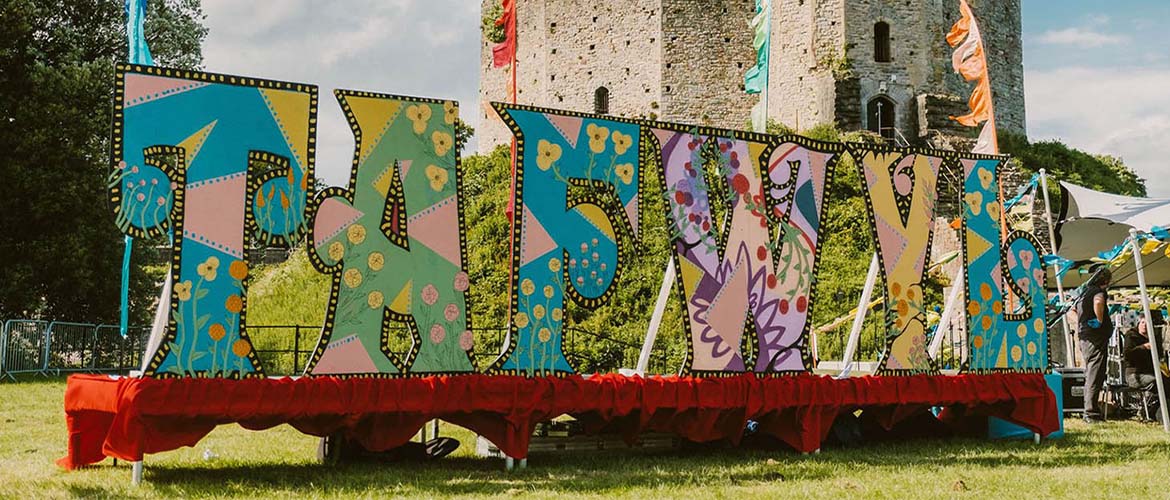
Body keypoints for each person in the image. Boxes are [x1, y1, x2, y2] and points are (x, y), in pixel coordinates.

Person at [1076, 267, 1112, 423]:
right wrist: (1099, 320)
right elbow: (1098, 301)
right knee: (1095, 374)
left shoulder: (1083, 292)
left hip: (1085, 338)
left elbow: (1072, 311)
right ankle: (1090, 413)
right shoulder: (1098, 291)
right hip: (1095, 339)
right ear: (1106, 280)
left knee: (1092, 373)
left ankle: (1091, 410)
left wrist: (1081, 325)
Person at [1124, 311, 1169, 418]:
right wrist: (1144, 347)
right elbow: (1128, 355)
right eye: (1142, 322)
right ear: (1138, 323)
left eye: (1147, 323)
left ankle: (1159, 411)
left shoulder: (1154, 338)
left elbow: (1160, 358)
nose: (1144, 326)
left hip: (1151, 372)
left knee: (1166, 382)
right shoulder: (1131, 336)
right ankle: (1159, 414)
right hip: (1135, 375)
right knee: (1158, 382)